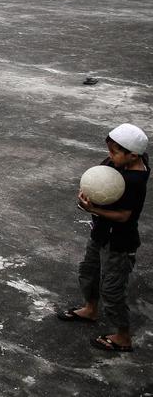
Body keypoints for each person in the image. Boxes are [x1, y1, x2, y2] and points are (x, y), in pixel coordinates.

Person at [57, 123, 149, 353]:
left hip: (119, 243)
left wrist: (93, 209)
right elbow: (104, 171)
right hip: (100, 234)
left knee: (112, 290)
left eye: (114, 152)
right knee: (88, 272)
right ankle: (90, 309)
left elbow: (124, 216)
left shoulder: (134, 181)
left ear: (133, 155)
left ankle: (123, 337)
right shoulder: (122, 162)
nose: (109, 156)